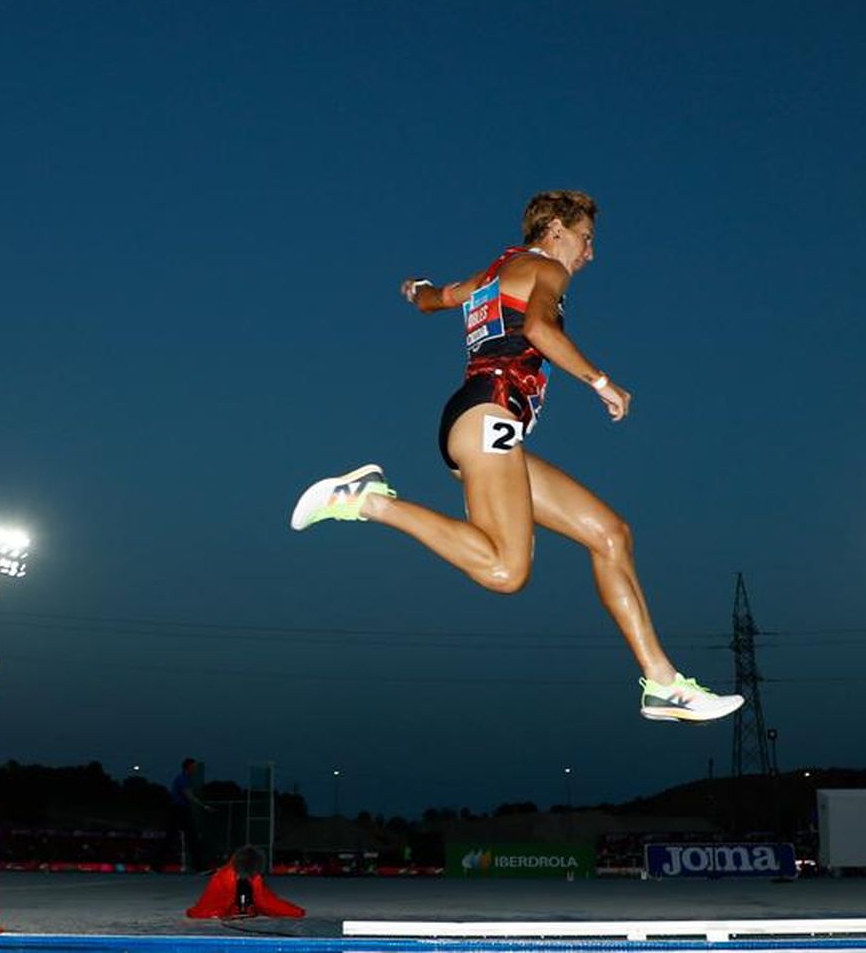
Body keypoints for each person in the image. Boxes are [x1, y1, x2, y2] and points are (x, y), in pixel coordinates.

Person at [290, 190, 743, 723]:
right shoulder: (548, 270)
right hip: (490, 416)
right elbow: (539, 330)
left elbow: (433, 299)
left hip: (487, 423)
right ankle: (366, 501)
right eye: (586, 238)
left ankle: (663, 685)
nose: (590, 254)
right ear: (554, 229)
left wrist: (415, 288)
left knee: (610, 534)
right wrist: (601, 383)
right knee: (506, 571)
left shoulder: (492, 275)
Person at [166, 757, 213, 870]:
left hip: (180, 810)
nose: (195, 769)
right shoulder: (183, 779)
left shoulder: (184, 778)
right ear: (189, 767)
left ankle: (199, 866)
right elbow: (189, 796)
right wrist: (204, 806)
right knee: (190, 837)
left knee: (179, 837)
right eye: (194, 767)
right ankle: (199, 866)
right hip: (179, 810)